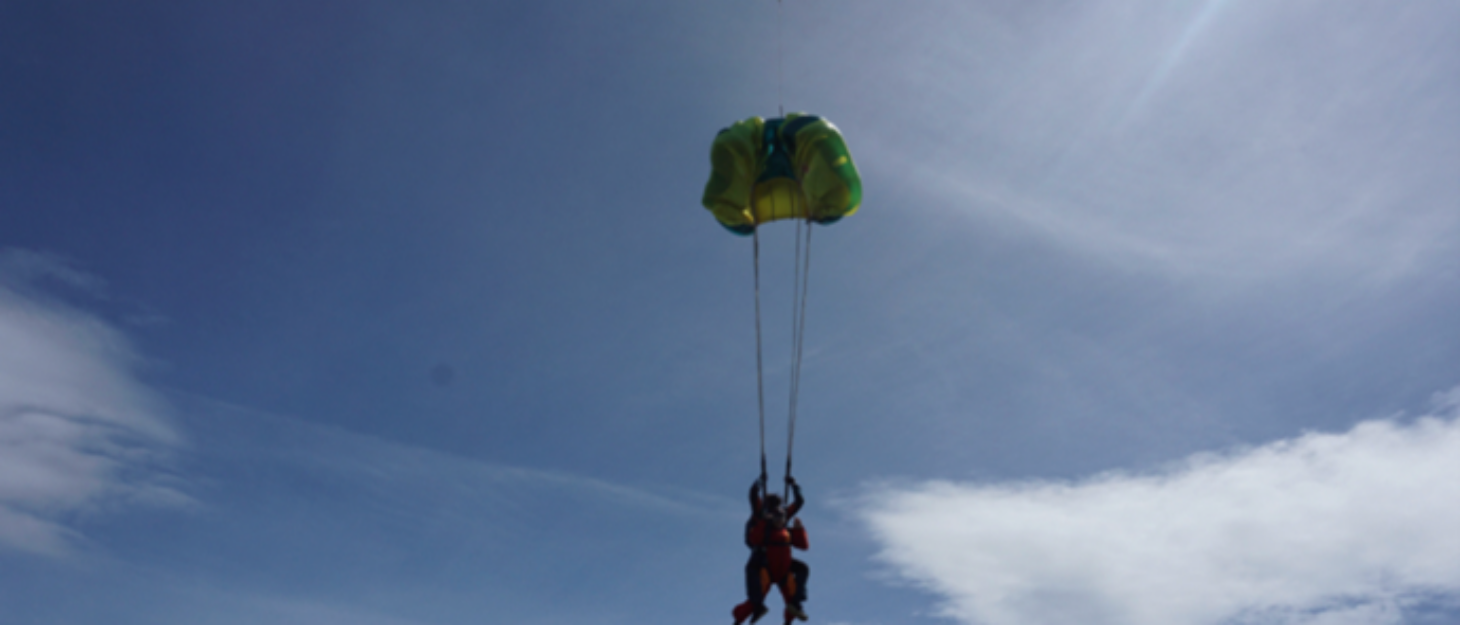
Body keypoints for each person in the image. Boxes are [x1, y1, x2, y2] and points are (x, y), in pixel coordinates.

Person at [733, 476, 810, 624]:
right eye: (774, 512)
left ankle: (795, 605)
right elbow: (753, 494)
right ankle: (750, 613)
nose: (777, 516)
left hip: (781, 563)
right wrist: (760, 482)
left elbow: (799, 503)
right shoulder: (760, 514)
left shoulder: (783, 514)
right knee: (755, 598)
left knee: (797, 581)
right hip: (765, 561)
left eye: (779, 513)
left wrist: (794, 485)